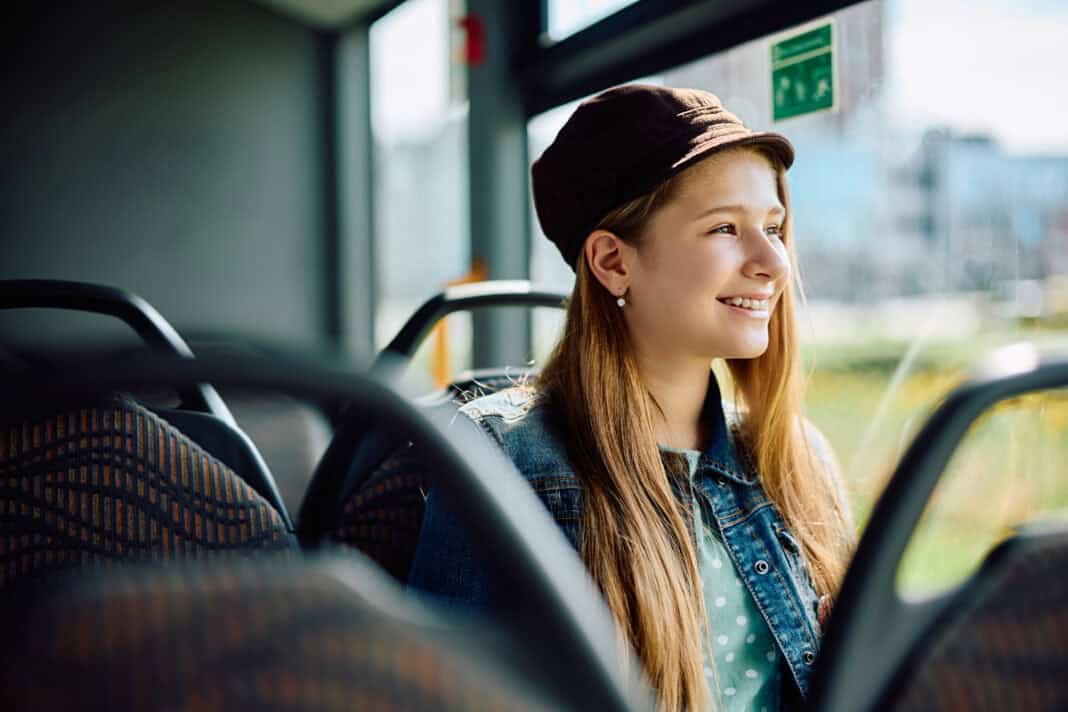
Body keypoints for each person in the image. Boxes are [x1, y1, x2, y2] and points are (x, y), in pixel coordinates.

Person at [407, 84, 855, 712]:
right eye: (726, 227)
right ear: (613, 262)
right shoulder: (503, 462)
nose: (773, 263)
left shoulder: (797, 459)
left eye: (774, 228)